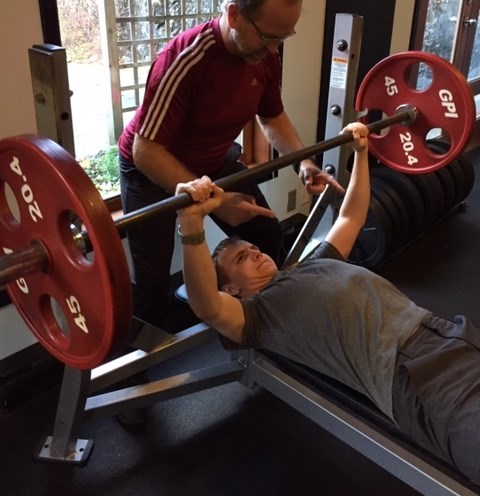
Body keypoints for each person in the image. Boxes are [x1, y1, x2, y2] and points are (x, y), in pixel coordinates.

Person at [175, 121, 480, 486]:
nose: (255, 253)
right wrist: (190, 224)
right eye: (241, 259)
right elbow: (206, 306)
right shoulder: (259, 315)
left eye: (253, 248)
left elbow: (351, 215)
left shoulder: (317, 260)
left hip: (448, 333)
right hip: (408, 374)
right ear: (233, 291)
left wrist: (362, 153)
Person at [118, 0, 341, 330]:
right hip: (150, 171)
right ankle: (144, 369)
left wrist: (303, 163)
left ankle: (265, 325)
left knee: (267, 232)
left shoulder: (264, 56)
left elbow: (272, 117)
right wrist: (217, 205)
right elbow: (146, 150)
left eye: (282, 38)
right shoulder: (186, 60)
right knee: (153, 279)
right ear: (234, 14)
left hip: (213, 160)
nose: (273, 49)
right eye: (268, 37)